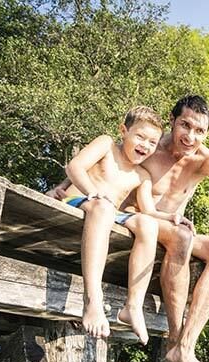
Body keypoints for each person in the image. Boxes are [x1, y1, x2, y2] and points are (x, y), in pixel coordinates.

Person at [51, 96, 209, 362]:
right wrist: (65, 186)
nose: (190, 136)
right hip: (133, 222)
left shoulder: (201, 159)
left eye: (199, 131)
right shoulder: (149, 146)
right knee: (181, 234)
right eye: (185, 125)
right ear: (172, 120)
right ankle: (174, 336)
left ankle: (186, 346)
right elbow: (107, 163)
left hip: (167, 226)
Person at [58, 105, 163, 342]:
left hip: (108, 213)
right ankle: (92, 300)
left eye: (152, 142)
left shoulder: (142, 175)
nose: (145, 145)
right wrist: (92, 192)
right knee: (104, 207)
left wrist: (173, 219)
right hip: (78, 200)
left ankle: (133, 306)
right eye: (140, 136)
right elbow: (74, 167)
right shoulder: (106, 145)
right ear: (123, 131)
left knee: (148, 225)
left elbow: (150, 211)